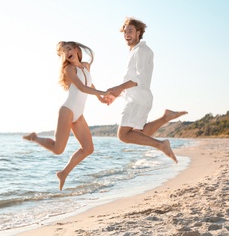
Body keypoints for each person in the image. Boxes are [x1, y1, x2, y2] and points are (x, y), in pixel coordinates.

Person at [23, 41, 109, 190]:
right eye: (63, 52)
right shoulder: (69, 69)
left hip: (79, 114)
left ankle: (63, 173)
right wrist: (103, 92)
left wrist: (100, 98)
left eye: (68, 49)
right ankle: (35, 137)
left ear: (76, 49)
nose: (67, 53)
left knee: (88, 149)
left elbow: (89, 83)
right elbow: (81, 87)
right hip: (67, 110)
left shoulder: (86, 66)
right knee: (58, 149)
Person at [106, 17, 187, 163]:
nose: (126, 34)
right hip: (138, 98)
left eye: (130, 31)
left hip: (137, 99)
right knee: (140, 133)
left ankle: (161, 145)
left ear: (139, 32)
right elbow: (134, 79)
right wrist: (117, 94)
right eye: (125, 32)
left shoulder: (142, 51)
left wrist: (119, 88)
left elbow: (140, 77)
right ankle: (165, 118)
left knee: (124, 135)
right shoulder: (135, 51)